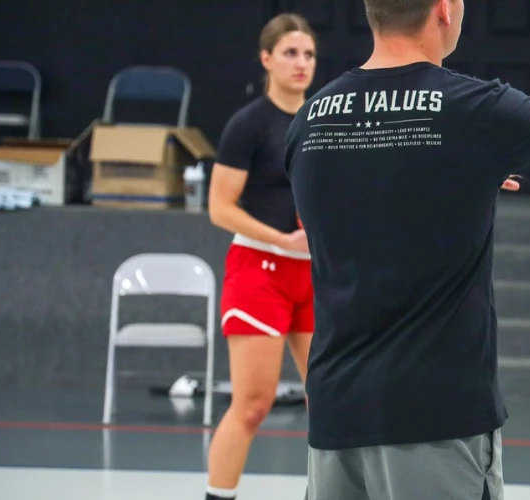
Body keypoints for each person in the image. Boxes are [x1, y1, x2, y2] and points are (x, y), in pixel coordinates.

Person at [283, 1, 530, 498]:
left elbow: (370, 203)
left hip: (334, 414)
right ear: (444, 9)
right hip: (437, 416)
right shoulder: (482, 108)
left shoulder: (309, 120)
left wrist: (464, 173)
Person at [203, 13, 318, 500]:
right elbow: (219, 208)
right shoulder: (247, 125)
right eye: (291, 53)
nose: (301, 63)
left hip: (314, 275)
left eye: (309, 54)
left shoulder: (323, 119)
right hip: (259, 272)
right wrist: (279, 239)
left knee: (332, 400)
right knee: (253, 403)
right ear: (266, 59)